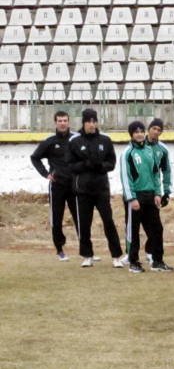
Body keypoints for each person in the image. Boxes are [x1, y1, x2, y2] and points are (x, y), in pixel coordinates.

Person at [66, 108, 125, 269]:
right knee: (84, 224)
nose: (92, 124)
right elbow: (70, 165)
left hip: (101, 189)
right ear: (83, 123)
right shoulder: (75, 141)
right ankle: (87, 255)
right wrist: (85, 164)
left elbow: (111, 163)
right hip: (82, 190)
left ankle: (116, 256)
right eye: (89, 121)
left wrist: (100, 165)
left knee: (108, 221)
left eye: (94, 121)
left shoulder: (105, 140)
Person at [120, 121, 171, 273]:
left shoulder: (150, 150)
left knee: (157, 229)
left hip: (150, 196)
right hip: (136, 197)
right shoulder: (127, 153)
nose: (140, 134)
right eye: (136, 132)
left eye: (141, 131)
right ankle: (134, 262)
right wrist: (131, 198)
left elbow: (156, 174)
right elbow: (125, 177)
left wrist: (158, 193)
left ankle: (157, 261)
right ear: (131, 134)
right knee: (133, 231)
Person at [30, 110, 79, 261]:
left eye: (65, 120)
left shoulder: (76, 139)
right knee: (57, 219)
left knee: (80, 217)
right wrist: (46, 174)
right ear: (55, 122)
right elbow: (35, 157)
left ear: (69, 122)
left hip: (74, 185)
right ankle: (60, 249)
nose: (63, 123)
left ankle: (86, 249)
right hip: (57, 186)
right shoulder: (49, 141)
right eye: (60, 121)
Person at [144, 118, 173, 265]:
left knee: (155, 226)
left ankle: (151, 252)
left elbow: (166, 171)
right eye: (154, 128)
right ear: (148, 129)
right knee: (133, 225)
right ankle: (130, 256)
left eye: (159, 130)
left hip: (154, 193)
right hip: (137, 192)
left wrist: (166, 191)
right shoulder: (137, 146)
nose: (156, 132)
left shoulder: (162, 150)